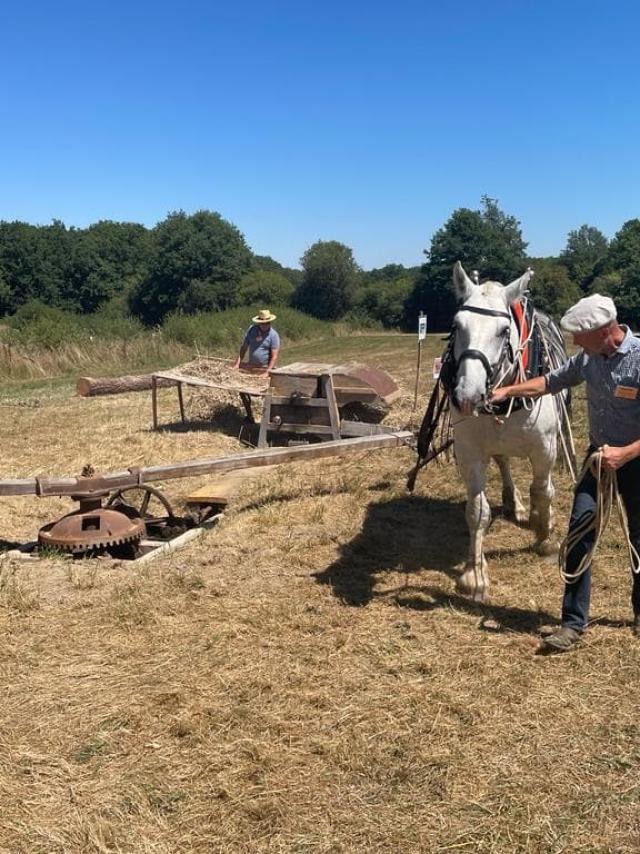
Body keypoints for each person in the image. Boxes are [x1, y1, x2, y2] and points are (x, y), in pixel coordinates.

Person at [490, 294, 640, 653]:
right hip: (598, 460)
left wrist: (626, 453)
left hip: (634, 460)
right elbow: (548, 382)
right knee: (578, 536)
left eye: (579, 335)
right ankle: (572, 624)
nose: (573, 341)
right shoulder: (588, 359)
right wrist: (506, 390)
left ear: (605, 331)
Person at [233, 309, 280, 373]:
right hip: (250, 366)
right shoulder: (252, 330)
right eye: (262, 323)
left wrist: (267, 372)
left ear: (270, 323)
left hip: (264, 367)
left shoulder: (273, 335)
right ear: (259, 323)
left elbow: (274, 356)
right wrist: (237, 364)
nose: (264, 325)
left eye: (267, 323)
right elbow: (244, 348)